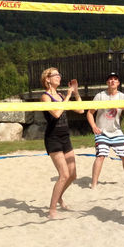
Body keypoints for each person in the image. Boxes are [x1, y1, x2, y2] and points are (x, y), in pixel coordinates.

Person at [41, 67, 84, 219]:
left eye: (59, 74)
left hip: (65, 137)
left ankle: (59, 197)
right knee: (64, 174)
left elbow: (81, 110)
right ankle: (52, 210)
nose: (59, 76)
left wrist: (75, 92)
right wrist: (68, 96)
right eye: (56, 74)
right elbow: (57, 113)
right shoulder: (45, 97)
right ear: (47, 79)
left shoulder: (60, 95)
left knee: (72, 175)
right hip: (53, 138)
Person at [86, 72, 124, 188]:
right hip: (102, 132)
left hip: (116, 132)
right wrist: (94, 126)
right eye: (110, 79)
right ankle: (94, 184)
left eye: (115, 79)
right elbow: (89, 113)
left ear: (118, 83)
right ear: (107, 82)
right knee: (101, 156)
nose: (112, 81)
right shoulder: (100, 96)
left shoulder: (122, 97)